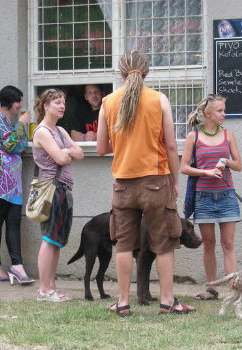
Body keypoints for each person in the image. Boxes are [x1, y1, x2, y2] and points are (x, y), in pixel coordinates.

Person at [97, 50, 195, 316]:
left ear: (120, 73)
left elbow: (102, 148)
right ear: (147, 71)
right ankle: (167, 302)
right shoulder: (158, 99)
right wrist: (175, 181)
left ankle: (122, 302)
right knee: (163, 244)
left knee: (124, 245)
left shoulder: (108, 102)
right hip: (156, 180)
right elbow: (172, 145)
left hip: (122, 184)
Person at [180, 94, 242, 300]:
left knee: (228, 244)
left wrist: (224, 160)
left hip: (227, 196)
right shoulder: (193, 137)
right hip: (203, 197)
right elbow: (184, 167)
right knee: (208, 243)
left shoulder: (228, 135)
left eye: (224, 110)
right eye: (220, 111)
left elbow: (239, 165)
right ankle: (211, 289)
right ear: (208, 113)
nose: (224, 114)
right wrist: (206, 171)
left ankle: (233, 289)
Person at [0, 85, 34, 285]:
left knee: (13, 222)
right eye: (18, 101)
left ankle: (17, 266)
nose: (20, 105)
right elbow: (12, 145)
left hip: (14, 181)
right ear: (10, 103)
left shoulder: (9, 122)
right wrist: (21, 125)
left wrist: (19, 129)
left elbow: (19, 146)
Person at [32, 88, 84, 302]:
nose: (62, 106)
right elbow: (60, 159)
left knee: (56, 240)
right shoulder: (42, 131)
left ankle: (52, 287)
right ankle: (44, 290)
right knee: (49, 238)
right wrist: (67, 153)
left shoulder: (61, 131)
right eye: (57, 102)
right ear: (45, 106)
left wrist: (67, 152)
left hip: (63, 188)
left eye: (63, 102)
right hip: (51, 188)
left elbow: (79, 154)